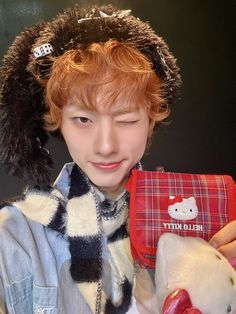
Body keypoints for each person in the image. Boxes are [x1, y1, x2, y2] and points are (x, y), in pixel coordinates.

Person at [0, 4, 235, 314]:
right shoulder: (15, 236)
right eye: (83, 119)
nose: (106, 145)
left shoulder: (202, 219)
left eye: (126, 119)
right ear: (59, 122)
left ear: (151, 119)